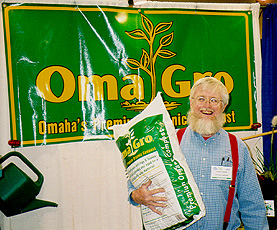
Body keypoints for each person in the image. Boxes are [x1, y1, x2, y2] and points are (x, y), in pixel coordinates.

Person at [127, 77, 269, 229]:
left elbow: (253, 205)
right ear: (191, 101)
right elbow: (134, 186)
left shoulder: (238, 148)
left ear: (224, 106)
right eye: (201, 99)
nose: (207, 106)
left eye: (214, 100)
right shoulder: (168, 141)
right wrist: (137, 195)